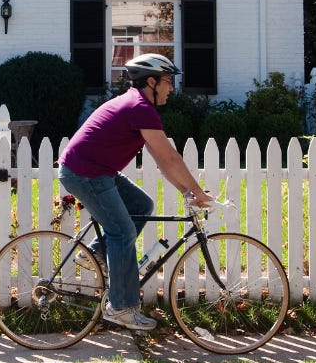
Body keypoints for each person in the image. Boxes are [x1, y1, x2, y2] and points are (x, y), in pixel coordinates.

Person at [58, 53, 213, 332]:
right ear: (151, 82)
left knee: (141, 204)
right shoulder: (140, 108)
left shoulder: (137, 105)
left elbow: (161, 159)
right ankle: (121, 308)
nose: (171, 88)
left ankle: (96, 254)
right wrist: (198, 190)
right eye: (168, 82)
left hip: (96, 170)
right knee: (122, 232)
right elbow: (171, 158)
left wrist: (186, 192)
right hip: (85, 172)